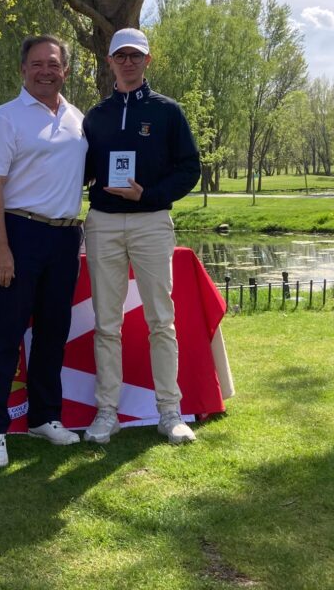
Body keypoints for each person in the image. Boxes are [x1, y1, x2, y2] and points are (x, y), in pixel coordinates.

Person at [82, 28, 202, 444]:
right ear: (110, 61)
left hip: (151, 220)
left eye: (136, 56)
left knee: (161, 320)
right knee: (106, 323)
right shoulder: (95, 116)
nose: (128, 62)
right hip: (103, 222)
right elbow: (81, 171)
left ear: (147, 60)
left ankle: (170, 411)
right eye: (121, 56)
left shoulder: (168, 111)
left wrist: (147, 194)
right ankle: (107, 412)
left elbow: (189, 168)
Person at [0, 35, 88, 467]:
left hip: (65, 236)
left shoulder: (78, 119)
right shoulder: (5, 118)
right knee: (5, 334)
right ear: (23, 69)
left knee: (53, 333)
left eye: (53, 64)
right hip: (19, 233)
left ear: (65, 71)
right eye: (37, 64)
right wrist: (0, 247)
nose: (45, 71)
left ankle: (44, 417)